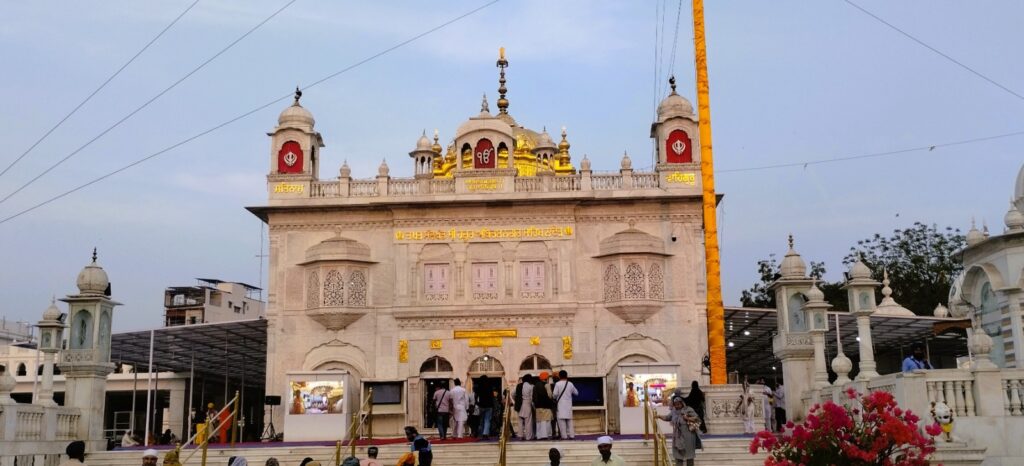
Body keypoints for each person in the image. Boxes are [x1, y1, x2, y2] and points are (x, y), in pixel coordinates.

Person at [658, 393, 702, 466]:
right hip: (677, 436)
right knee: (678, 455)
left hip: (688, 436)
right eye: (676, 404)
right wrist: (659, 416)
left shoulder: (688, 409)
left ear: (682, 403)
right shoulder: (674, 412)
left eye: (679, 404)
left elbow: (697, 418)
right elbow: (667, 418)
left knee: (689, 455)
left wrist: (687, 418)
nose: (677, 406)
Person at [552, 369, 578, 440]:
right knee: (570, 422)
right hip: (568, 406)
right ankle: (572, 436)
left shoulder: (557, 384)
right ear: (567, 376)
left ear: (559, 376)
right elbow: (576, 393)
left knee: (561, 422)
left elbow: (554, 395)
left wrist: (555, 397)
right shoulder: (570, 384)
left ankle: (564, 437)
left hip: (560, 406)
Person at [534, 372, 554, 440]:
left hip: (538, 406)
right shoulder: (547, 385)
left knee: (539, 421)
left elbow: (534, 396)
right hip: (546, 405)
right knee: (546, 421)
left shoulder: (536, 385)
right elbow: (550, 395)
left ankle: (539, 435)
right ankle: (545, 435)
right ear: (546, 378)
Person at [475, 375, 495, 439]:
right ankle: (485, 433)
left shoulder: (479, 387)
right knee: (487, 420)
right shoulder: (490, 386)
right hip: (489, 405)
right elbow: (492, 396)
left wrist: (477, 403)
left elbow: (476, 396)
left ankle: (480, 433)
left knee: (481, 420)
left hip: (481, 405)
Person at [518, 374, 535, 440]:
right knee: (528, 421)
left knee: (520, 421)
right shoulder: (531, 387)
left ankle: (520, 436)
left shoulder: (519, 385)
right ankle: (528, 437)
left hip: (520, 405)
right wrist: (533, 405)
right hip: (527, 403)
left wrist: (515, 402)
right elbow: (531, 397)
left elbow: (512, 394)